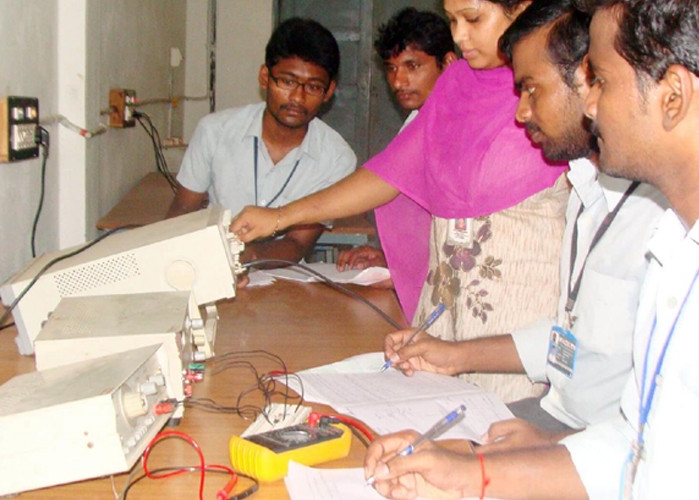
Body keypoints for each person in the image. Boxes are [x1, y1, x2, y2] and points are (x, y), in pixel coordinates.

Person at [364, 0, 699, 498]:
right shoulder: (668, 238)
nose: (589, 103)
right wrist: (478, 473)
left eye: (598, 79)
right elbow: (637, 444)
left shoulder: (673, 234)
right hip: (571, 431)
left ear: (673, 96)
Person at [233, 0, 569, 404]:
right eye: (452, 20)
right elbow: (388, 173)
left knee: (505, 434)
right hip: (444, 312)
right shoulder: (455, 83)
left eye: (474, 19)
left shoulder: (557, 88)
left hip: (518, 318)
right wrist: (280, 217)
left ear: (524, 10)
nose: (459, 35)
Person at [383, 0, 667, 440]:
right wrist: (453, 355)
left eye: (532, 89)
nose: (521, 112)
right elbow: (567, 342)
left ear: (589, 82)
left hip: (597, 443)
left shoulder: (659, 216)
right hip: (557, 415)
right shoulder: (586, 193)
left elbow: (654, 430)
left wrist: (542, 456)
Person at [167, 18, 355, 266]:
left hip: (285, 277)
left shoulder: (338, 158)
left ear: (329, 92)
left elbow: (298, 243)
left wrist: (249, 257)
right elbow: (181, 213)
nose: (297, 98)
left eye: (313, 87)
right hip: (212, 266)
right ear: (265, 77)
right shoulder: (214, 131)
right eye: (287, 82)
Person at [336, 7, 457, 283]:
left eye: (413, 66)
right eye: (391, 69)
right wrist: (390, 259)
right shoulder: (416, 121)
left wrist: (281, 217)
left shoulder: (458, 126)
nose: (398, 81)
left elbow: (377, 185)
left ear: (448, 63)